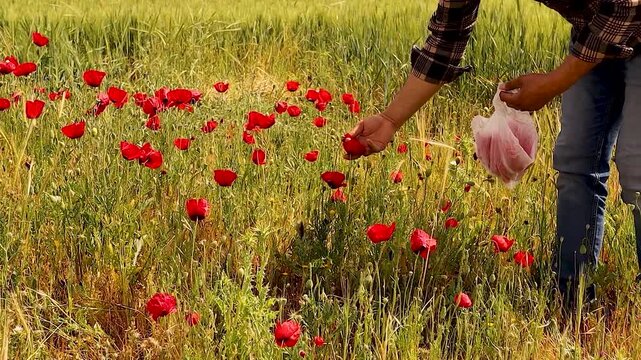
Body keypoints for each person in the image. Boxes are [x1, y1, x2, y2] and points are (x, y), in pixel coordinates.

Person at [346, 0, 641, 309]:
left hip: (625, 16)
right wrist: (390, 120)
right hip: (595, 34)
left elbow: (625, 7)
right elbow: (447, 38)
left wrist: (553, 83)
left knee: (636, 166)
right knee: (576, 160)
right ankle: (572, 294)